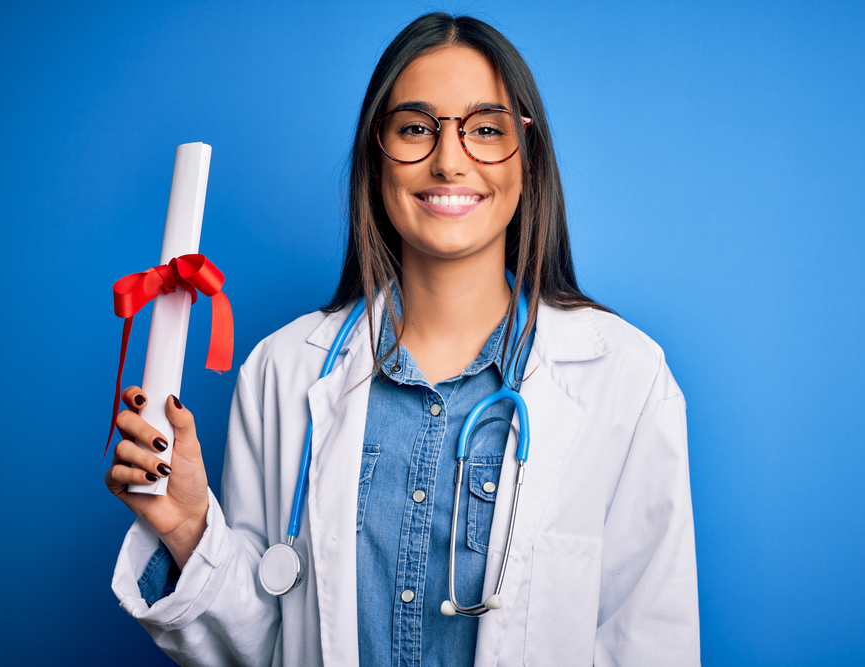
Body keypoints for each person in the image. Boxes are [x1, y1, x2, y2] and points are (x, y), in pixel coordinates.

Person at [108, 12, 700, 667]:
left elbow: (651, 643)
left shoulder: (626, 376)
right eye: (416, 128)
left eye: (485, 130)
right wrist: (189, 528)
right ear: (376, 152)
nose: (450, 160)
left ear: (528, 157)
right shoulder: (281, 371)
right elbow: (265, 646)